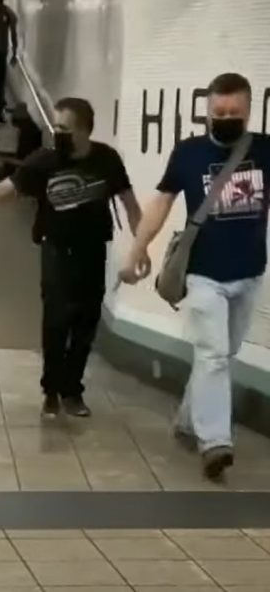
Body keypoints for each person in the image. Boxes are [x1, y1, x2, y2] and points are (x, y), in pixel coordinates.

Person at [0, 98, 141, 417]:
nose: (57, 133)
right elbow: (8, 188)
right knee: (56, 320)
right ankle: (51, 389)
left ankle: (72, 390)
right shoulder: (44, 161)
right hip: (55, 251)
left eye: (64, 127)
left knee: (86, 322)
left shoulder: (107, 160)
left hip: (92, 252)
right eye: (55, 126)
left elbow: (130, 205)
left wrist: (140, 247)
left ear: (84, 130)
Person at [118, 72, 269, 480]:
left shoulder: (265, 150)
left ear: (249, 111)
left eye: (234, 112)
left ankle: (188, 421)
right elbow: (161, 203)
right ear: (207, 110)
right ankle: (215, 442)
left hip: (250, 273)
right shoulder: (189, 153)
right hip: (203, 274)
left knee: (221, 354)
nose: (225, 118)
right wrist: (137, 249)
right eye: (218, 112)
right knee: (214, 355)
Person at [0, 103, 43, 181]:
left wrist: (2, 157)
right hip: (27, 163)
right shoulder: (30, 128)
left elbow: (25, 162)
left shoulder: (26, 135)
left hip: (26, 169)